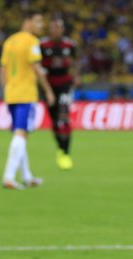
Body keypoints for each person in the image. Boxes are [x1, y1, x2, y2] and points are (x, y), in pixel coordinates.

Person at [0, 11, 56, 189]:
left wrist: (6, 89)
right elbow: (37, 68)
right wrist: (48, 90)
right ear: (27, 22)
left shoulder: (9, 41)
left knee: (20, 133)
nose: (41, 25)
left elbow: (3, 69)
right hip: (26, 94)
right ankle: (8, 177)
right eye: (38, 21)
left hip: (12, 93)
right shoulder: (32, 41)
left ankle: (27, 176)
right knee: (21, 134)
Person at [40, 18, 78, 170]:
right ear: (50, 30)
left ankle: (66, 152)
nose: (56, 31)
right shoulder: (42, 45)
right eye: (53, 28)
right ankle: (60, 148)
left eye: (58, 28)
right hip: (48, 85)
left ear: (62, 30)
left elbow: (76, 62)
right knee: (55, 120)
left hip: (64, 84)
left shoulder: (70, 45)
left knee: (63, 116)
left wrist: (76, 76)